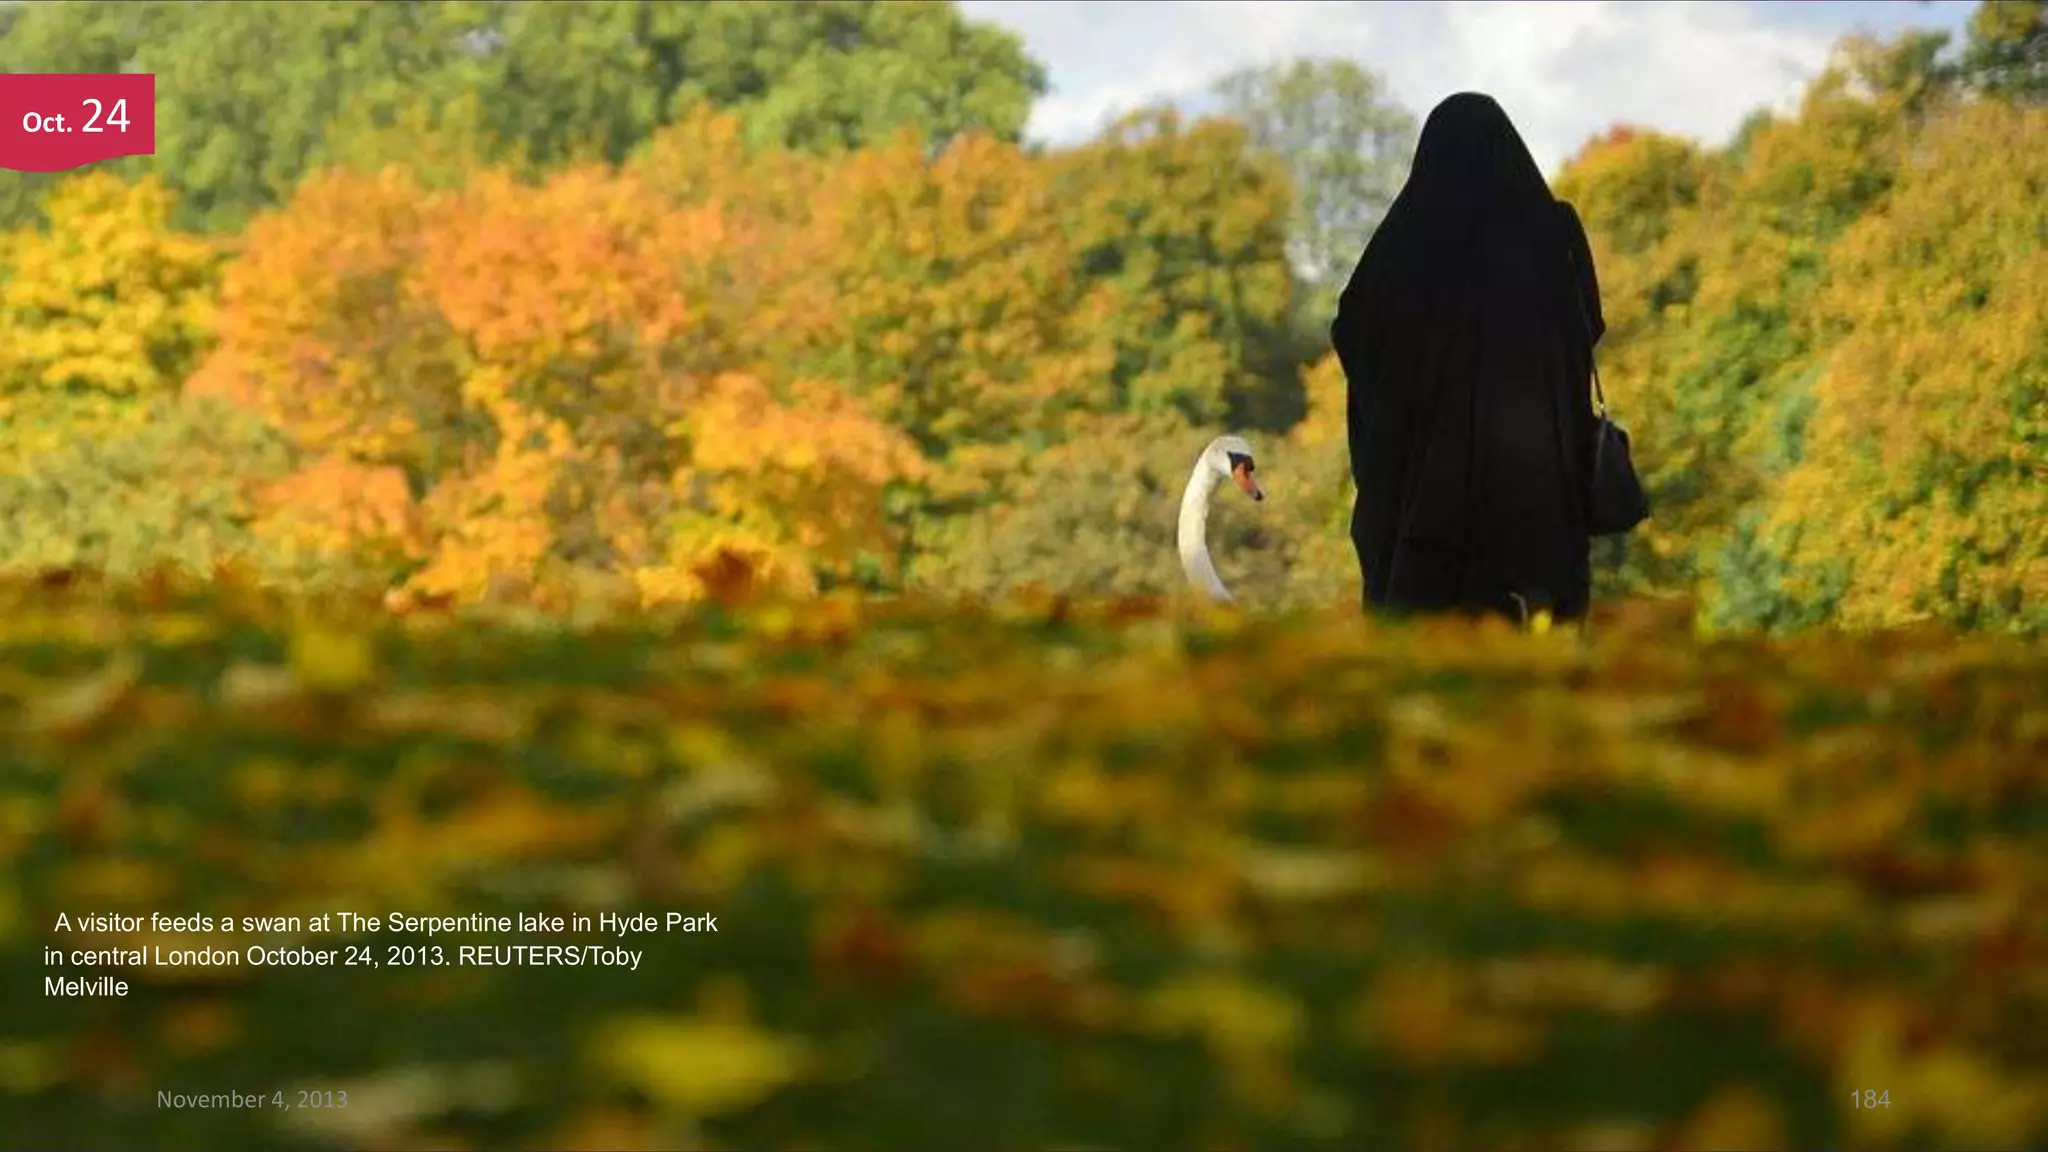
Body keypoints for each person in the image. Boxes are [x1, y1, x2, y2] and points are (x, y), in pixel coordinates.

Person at [1331, 91, 1604, 625]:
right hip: (1536, 508)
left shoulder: (1407, 242)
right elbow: (1586, 328)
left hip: (1421, 516)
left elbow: (1354, 331)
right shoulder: (1551, 233)